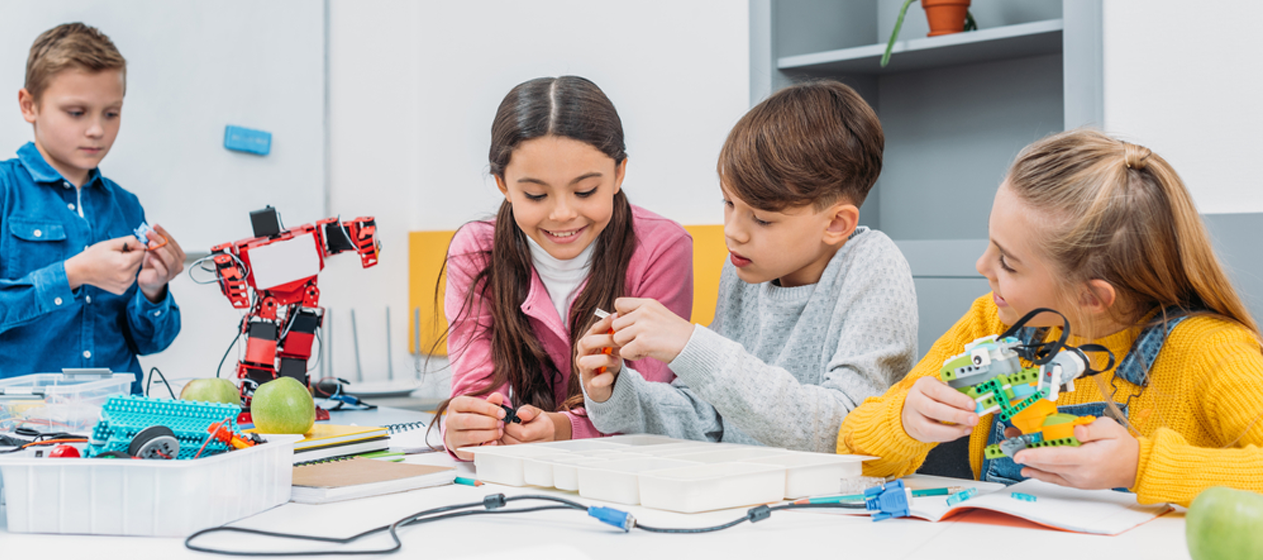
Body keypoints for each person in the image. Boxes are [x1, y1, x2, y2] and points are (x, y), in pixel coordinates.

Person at [838, 129, 1263, 506]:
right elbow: (852, 446)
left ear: (1091, 297)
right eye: (991, 245)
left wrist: (1139, 465)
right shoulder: (993, 324)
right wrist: (906, 422)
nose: (982, 265)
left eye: (1008, 261)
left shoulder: (1213, 352)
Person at [577, 80, 917, 453]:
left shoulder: (873, 267)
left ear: (836, 224)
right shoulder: (747, 268)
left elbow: (848, 429)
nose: (733, 232)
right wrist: (616, 391)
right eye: (728, 203)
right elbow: (710, 419)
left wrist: (693, 347)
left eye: (763, 219)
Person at [438, 76, 693, 460]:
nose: (562, 214)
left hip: (625, 470)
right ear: (503, 185)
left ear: (619, 173)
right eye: (535, 195)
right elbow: (476, 392)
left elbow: (646, 403)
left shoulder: (662, 248)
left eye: (585, 191)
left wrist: (564, 429)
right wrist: (467, 429)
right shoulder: (476, 250)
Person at [0, 23, 184, 393]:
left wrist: (153, 290)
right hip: (22, 428)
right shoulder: (6, 190)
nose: (97, 130)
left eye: (111, 113)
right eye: (77, 112)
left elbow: (150, 342)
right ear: (28, 105)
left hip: (116, 422)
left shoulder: (126, 205)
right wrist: (72, 273)